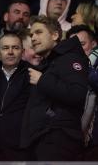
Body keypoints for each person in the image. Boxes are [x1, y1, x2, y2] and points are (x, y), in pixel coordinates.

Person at [20, 15, 89, 161]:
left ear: (55, 35)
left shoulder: (69, 58)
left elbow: (78, 94)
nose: (33, 38)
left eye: (39, 32)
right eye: (31, 34)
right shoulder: (50, 62)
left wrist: (42, 80)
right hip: (43, 139)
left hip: (58, 139)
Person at [0, 33, 32, 161]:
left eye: (15, 47)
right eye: (5, 48)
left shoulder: (33, 76)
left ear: (23, 52)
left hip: (21, 150)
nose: (10, 52)